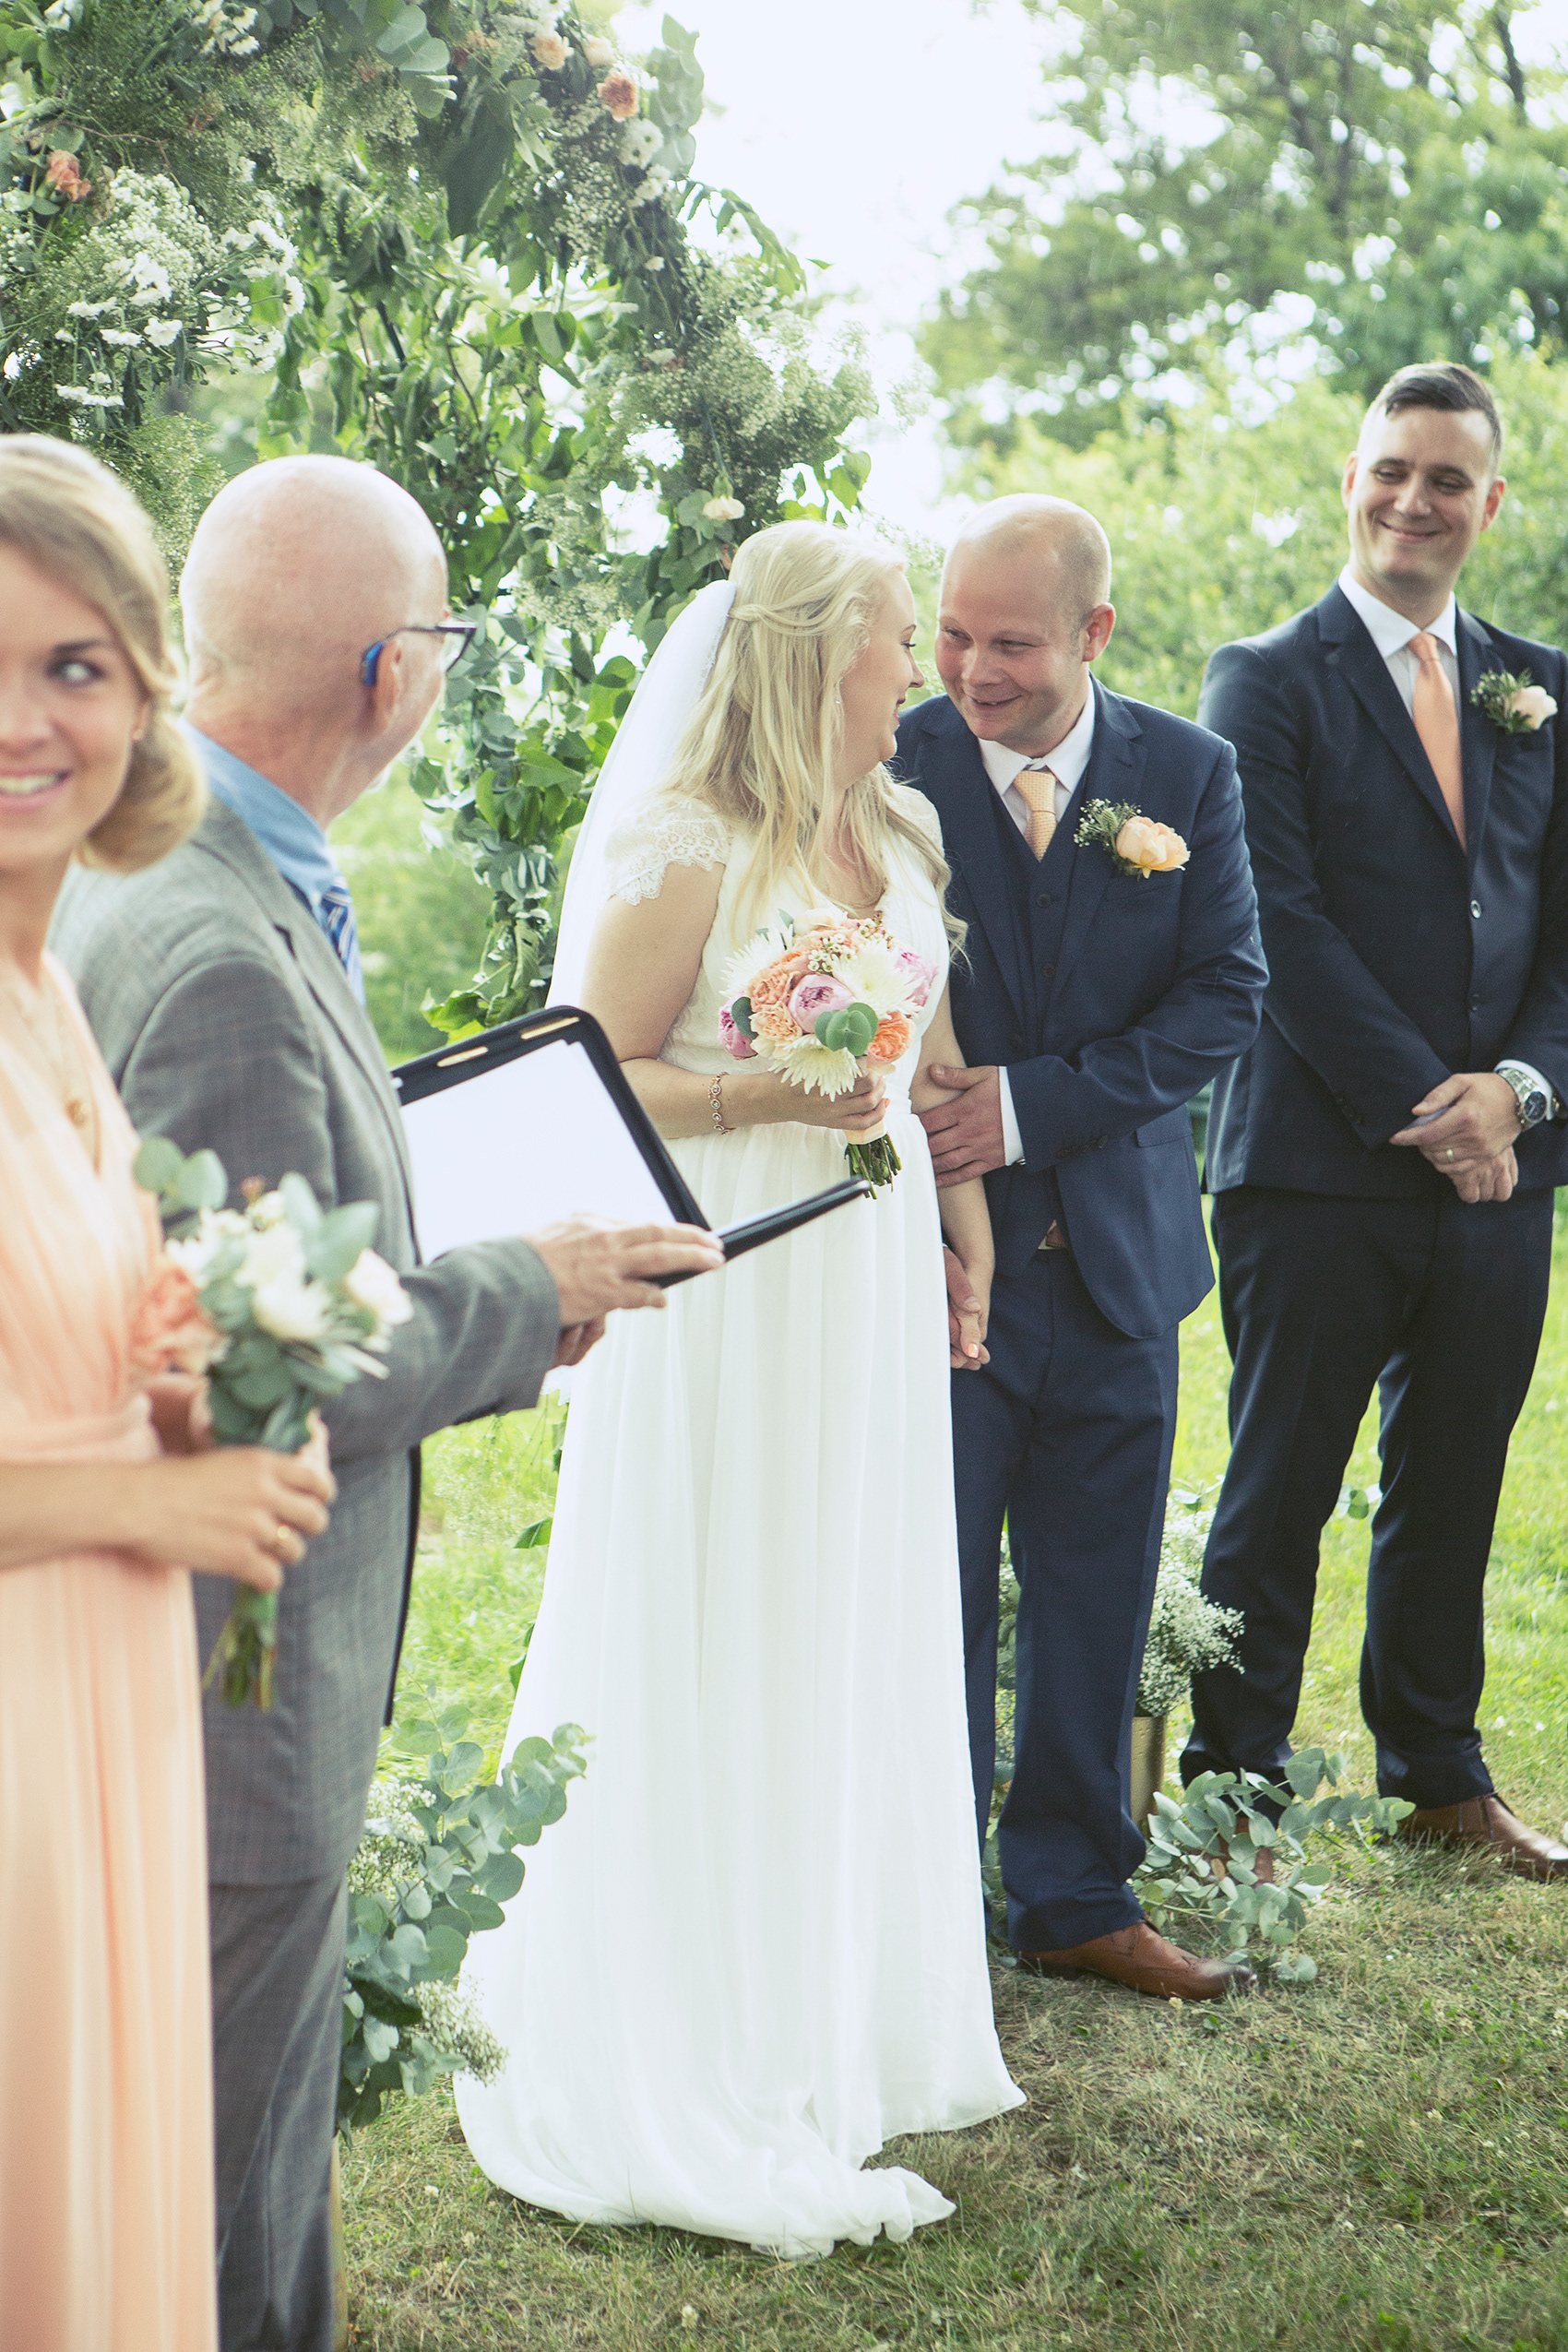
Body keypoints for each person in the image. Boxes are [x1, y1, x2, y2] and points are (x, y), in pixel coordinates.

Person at [51, 454, 723, 2352]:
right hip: (230, 1686)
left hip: (160, 1662)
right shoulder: (220, 948)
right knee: (219, 2189)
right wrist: (532, 1285)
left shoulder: (166, 866)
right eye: (440, 636)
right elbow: (248, 1372)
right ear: (389, 672)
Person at [456, 522, 1022, 2255]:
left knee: (845, 1599)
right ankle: (688, 2009)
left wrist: (966, 1228)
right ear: (813, 652)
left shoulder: (900, 826)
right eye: (896, 637)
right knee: (722, 1599)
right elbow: (592, 1071)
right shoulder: (682, 839)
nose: (920, 666)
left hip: (868, 1255)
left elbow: (925, 1047)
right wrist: (766, 1090)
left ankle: (835, 2002)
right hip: (730, 1265)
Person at [0, 435, 336, 2352]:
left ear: (144, 697)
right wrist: (150, 1500)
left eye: (71, 666)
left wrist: (179, 1378)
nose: (22, 720)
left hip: (105, 1703)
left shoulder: (45, 981)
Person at [1188, 363, 1568, 1874]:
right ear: (1351, 481)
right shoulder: (1263, 678)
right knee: (1278, 1485)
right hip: (1316, 1165)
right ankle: (1233, 1792)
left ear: (1491, 502)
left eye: (1447, 478)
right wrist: (1435, 1106)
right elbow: (1277, 919)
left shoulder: (1541, 688)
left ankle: (1438, 1773)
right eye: (1391, 470)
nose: (1415, 500)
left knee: (1456, 1479)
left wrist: (1515, 1094)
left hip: (1504, 1169)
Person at [897, 495, 1267, 2000]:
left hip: (1121, 1262)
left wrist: (1025, 1108)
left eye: (1012, 644)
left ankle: (1074, 1893)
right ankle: (927, 1901)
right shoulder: (890, 762)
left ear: (1095, 632)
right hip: (938, 1271)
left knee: (1097, 1590)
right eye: (953, 635)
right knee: (931, 1588)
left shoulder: (1189, 770)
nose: (972, 671)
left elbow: (1226, 993)